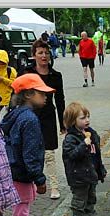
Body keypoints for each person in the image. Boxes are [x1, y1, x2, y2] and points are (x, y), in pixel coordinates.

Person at [1, 73, 57, 216]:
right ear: (28, 95)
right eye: (41, 93)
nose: (45, 97)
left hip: (17, 172)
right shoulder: (30, 119)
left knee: (22, 214)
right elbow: (30, 152)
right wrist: (40, 179)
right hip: (22, 175)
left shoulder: (15, 114)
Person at [21, 39, 66, 200]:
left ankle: (54, 186)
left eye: (46, 52)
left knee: (49, 153)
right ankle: (33, 184)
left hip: (48, 117)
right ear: (34, 55)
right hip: (30, 117)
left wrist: (63, 122)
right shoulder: (28, 74)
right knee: (31, 151)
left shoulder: (56, 76)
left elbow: (60, 100)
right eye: (40, 53)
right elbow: (19, 96)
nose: (44, 56)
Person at [62, 102, 107, 216]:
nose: (86, 120)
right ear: (72, 121)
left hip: (91, 173)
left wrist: (101, 169)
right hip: (78, 176)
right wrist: (83, 145)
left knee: (91, 198)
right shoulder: (71, 138)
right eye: (82, 118)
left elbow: (96, 155)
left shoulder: (91, 134)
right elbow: (71, 155)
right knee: (79, 201)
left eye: (87, 117)